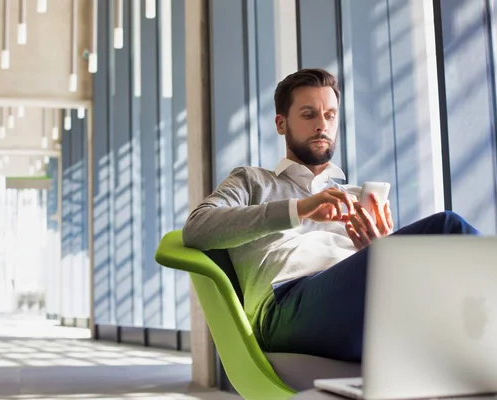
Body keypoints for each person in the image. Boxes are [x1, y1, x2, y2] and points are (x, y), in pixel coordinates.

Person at [182, 68, 480, 362]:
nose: (322, 125)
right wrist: (300, 209)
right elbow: (197, 229)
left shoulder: (353, 195)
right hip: (286, 305)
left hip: (353, 305)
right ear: (281, 123)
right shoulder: (253, 180)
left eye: (330, 115)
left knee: (439, 268)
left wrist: (379, 249)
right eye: (309, 115)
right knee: (447, 226)